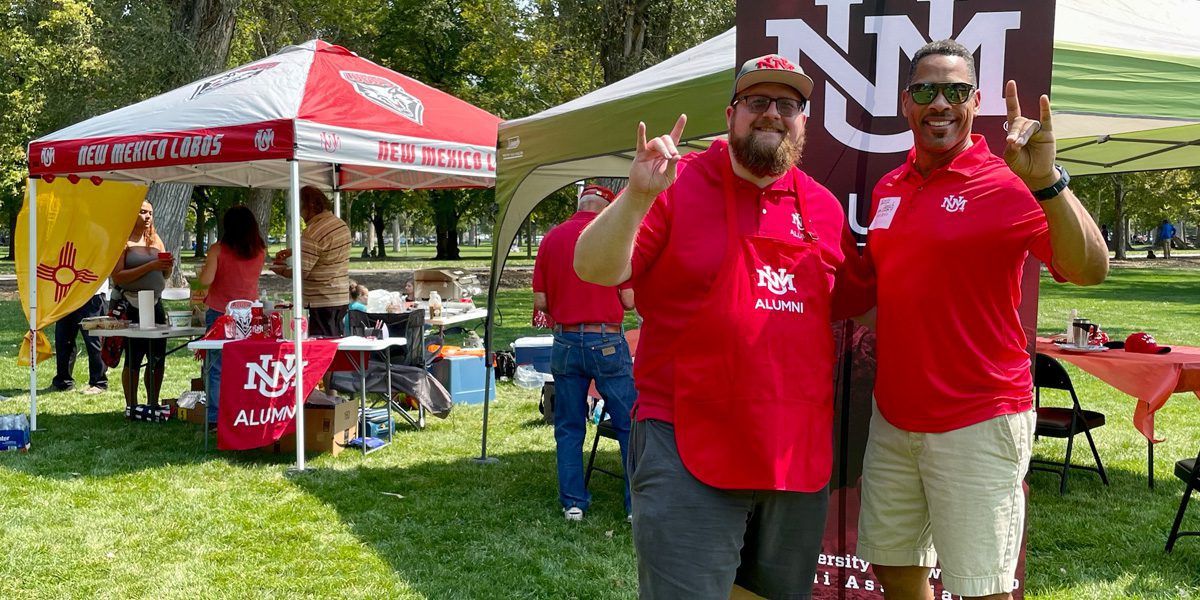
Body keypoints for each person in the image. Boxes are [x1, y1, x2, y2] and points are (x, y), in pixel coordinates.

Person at [576, 55, 857, 598]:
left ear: (804, 122)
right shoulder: (675, 186)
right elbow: (595, 268)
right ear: (732, 115)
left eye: (788, 105)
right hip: (687, 441)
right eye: (757, 102)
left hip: (792, 454)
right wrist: (635, 196)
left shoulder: (822, 208)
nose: (772, 114)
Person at [851, 40, 1109, 600]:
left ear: (976, 101)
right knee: (894, 569)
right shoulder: (889, 188)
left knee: (981, 587)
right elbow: (884, 290)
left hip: (979, 416)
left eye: (955, 91)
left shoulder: (1012, 180)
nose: (939, 102)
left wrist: (1048, 182)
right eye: (925, 90)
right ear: (906, 102)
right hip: (895, 417)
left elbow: (1091, 268)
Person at [533, 184, 637, 522]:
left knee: (568, 427)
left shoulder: (551, 238)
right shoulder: (613, 237)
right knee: (629, 423)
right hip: (605, 339)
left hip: (564, 341)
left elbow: (541, 303)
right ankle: (635, 506)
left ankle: (573, 504)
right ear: (606, 208)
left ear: (580, 204)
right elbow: (629, 300)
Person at [197, 206, 266, 424]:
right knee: (245, 365)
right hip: (250, 313)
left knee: (216, 366)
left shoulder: (218, 249)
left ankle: (215, 418)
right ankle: (242, 411)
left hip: (221, 313)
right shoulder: (260, 250)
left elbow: (205, 281)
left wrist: (200, 273)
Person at [111, 201, 174, 420]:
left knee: (157, 355)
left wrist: (167, 268)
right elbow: (117, 276)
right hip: (131, 303)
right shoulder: (123, 241)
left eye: (150, 213)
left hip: (155, 302)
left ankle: (153, 402)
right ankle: (132, 405)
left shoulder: (155, 239)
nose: (147, 217)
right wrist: (150, 266)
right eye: (142, 212)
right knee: (134, 355)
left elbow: (163, 275)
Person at [269, 186, 352, 337]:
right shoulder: (340, 225)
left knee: (321, 346)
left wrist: (279, 270)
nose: (300, 215)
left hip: (319, 300)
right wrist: (295, 250)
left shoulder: (313, 232)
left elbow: (301, 272)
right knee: (336, 343)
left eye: (301, 209)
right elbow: (325, 251)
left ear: (309, 207)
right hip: (340, 296)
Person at [52, 279, 110, 395]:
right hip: (67, 294)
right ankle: (63, 381)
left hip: (93, 294)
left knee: (94, 341)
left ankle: (99, 382)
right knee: (63, 340)